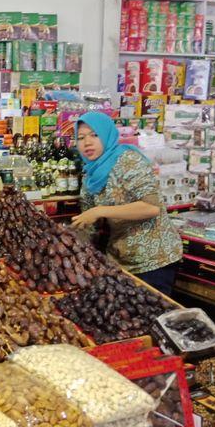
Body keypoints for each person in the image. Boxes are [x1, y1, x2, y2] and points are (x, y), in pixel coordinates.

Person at [71, 111, 182, 295]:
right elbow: (88, 222)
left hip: (154, 259)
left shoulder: (128, 160)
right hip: (121, 259)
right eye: (81, 137)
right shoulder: (90, 174)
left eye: (94, 135)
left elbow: (151, 207)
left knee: (150, 317)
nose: (87, 142)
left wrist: (100, 211)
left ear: (107, 135)